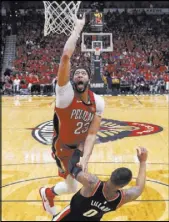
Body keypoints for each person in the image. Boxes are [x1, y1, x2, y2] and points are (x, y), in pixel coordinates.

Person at [39, 14, 105, 216]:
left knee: (71, 187)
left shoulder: (98, 102)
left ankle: (48, 192)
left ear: (89, 79)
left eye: (83, 73)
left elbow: (92, 134)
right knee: (90, 185)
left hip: (79, 148)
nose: (79, 75)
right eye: (76, 73)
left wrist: (85, 158)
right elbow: (66, 57)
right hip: (63, 148)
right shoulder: (65, 94)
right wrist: (77, 29)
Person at [52, 147, 148, 221]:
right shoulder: (123, 198)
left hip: (69, 216)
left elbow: (71, 167)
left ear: (111, 175)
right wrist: (143, 162)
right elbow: (139, 188)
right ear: (123, 186)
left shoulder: (92, 183)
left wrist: (78, 150)